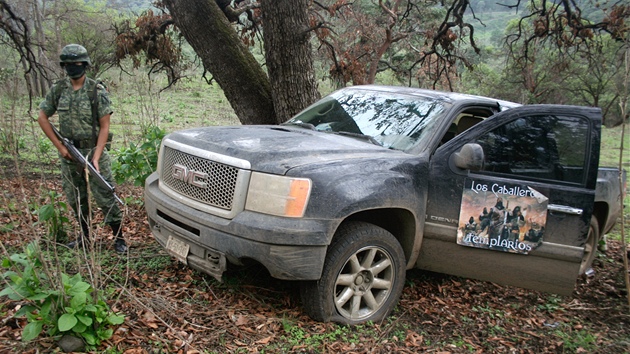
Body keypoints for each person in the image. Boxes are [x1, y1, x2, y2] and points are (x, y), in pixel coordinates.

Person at [37, 44, 127, 253]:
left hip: (94, 151)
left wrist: (96, 156)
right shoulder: (59, 89)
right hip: (70, 153)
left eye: (77, 63)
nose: (73, 68)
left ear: (85, 65)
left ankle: (119, 237)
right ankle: (84, 237)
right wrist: (60, 147)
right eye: (68, 64)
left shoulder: (96, 90)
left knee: (105, 194)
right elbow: (42, 117)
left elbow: (105, 126)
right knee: (76, 196)